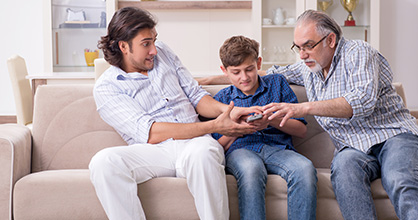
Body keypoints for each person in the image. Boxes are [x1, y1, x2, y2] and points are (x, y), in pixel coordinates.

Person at [199, 9, 418, 220]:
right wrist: (212, 80)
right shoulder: (308, 67)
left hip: (392, 134)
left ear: (330, 40)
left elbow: (362, 101)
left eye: (308, 46)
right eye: (298, 47)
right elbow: (267, 72)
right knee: (343, 172)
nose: (302, 55)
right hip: (353, 147)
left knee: (399, 178)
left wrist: (302, 108)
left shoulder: (359, 52)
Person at [89, 7, 259, 220]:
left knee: (203, 154)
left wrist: (230, 112)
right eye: (145, 44)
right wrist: (214, 126)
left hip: (195, 143)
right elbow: (150, 133)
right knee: (103, 162)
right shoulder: (107, 87)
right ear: (124, 46)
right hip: (154, 151)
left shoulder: (163, 53)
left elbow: (196, 96)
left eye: (153, 40)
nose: (154, 50)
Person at [212, 35, 317, 220]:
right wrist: (239, 127)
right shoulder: (221, 99)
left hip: (278, 149)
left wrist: (271, 120)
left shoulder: (277, 83)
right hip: (241, 150)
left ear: (258, 63)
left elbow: (301, 130)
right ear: (224, 71)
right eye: (236, 72)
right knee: (251, 169)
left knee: (305, 168)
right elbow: (216, 148)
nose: (244, 77)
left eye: (249, 69)